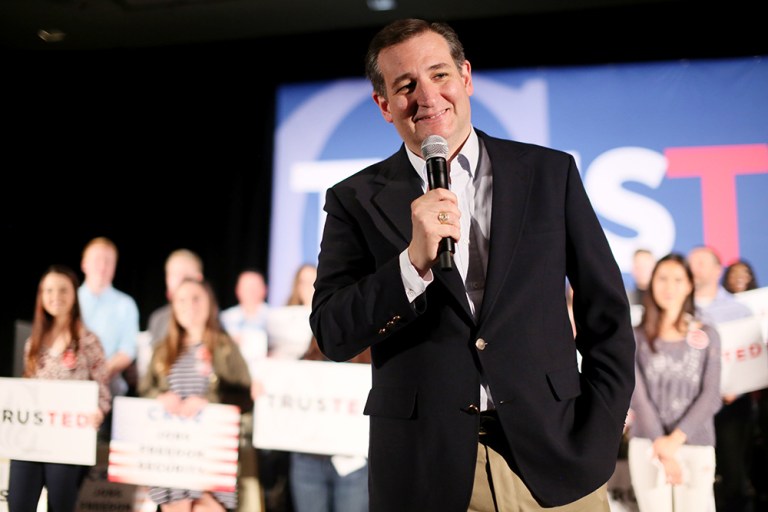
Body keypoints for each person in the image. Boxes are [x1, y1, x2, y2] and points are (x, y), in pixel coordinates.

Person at [308, 18, 636, 511]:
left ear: (465, 76)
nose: (427, 96)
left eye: (439, 74)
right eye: (405, 85)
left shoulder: (548, 173)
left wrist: (599, 429)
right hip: (424, 472)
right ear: (384, 105)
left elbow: (606, 313)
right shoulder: (354, 199)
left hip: (555, 461)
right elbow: (333, 334)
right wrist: (412, 264)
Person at [139, 277, 252, 511]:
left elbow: (244, 395)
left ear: (209, 303)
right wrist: (159, 398)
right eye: (181, 300)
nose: (189, 305)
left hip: (211, 453)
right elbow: (144, 390)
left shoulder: (224, 346)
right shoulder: (163, 349)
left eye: (196, 298)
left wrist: (208, 402)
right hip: (172, 455)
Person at [8, 264, 111, 512]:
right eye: (49, 290)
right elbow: (27, 391)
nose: (56, 297)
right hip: (30, 440)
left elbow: (103, 391)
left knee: (60, 506)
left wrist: (98, 411)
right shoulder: (33, 342)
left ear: (74, 294)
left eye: (63, 290)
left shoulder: (88, 340)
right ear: (41, 296)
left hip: (67, 442)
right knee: (18, 504)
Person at [626, 253, 722, 512]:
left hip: (695, 443)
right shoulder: (635, 337)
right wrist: (661, 444)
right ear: (651, 283)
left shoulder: (707, 334)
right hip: (648, 444)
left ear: (690, 285)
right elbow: (637, 394)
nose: (669, 286)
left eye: (678, 279)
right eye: (663, 278)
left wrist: (674, 441)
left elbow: (711, 395)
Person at [283, 263, 371, 512]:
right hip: (308, 459)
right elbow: (284, 391)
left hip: (353, 461)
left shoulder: (370, 357)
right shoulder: (308, 357)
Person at [687, 245, 756, 512]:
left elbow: (752, 355)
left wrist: (736, 388)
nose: (695, 268)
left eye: (702, 262)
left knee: (733, 475)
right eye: (691, 262)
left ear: (718, 270)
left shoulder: (739, 309)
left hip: (731, 404)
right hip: (689, 407)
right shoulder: (677, 309)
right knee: (695, 479)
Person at [78, 236, 140, 440]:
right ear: (84, 263)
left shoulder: (125, 305)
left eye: (109, 261)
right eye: (97, 259)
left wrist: (99, 376)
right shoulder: (72, 300)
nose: (103, 266)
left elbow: (127, 351)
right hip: (70, 387)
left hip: (109, 391)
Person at [220, 269, 270, 512]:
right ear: (237, 291)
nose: (250, 293)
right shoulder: (224, 320)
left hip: (268, 400)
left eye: (255, 288)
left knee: (266, 459)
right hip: (236, 397)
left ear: (265, 291)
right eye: (245, 288)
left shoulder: (275, 319)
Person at [146, 248, 204, 348]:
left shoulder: (211, 317)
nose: (178, 280)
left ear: (199, 278)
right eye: (173, 274)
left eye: (184, 274)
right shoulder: (158, 319)